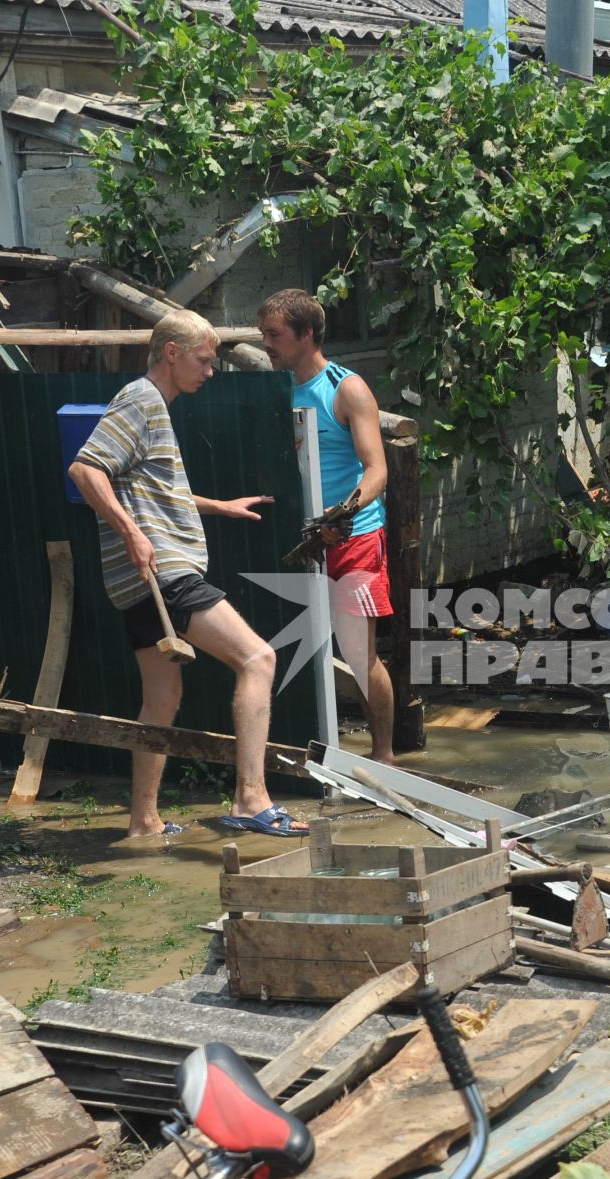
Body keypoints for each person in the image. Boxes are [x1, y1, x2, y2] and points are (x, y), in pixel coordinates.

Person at [67, 311, 306, 839]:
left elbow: (153, 489)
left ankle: (144, 822)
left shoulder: (152, 407)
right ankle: (251, 798)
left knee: (161, 699)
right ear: (171, 352)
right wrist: (132, 533)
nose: (211, 371)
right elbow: (85, 468)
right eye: (204, 359)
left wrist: (218, 506)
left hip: (138, 586)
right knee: (258, 658)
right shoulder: (142, 399)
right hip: (166, 574)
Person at [256, 288, 395, 764]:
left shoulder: (346, 388)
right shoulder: (271, 388)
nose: (266, 345)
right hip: (295, 538)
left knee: (359, 656)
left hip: (352, 537)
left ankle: (384, 759)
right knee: (285, 647)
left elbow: (376, 469)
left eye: (274, 335)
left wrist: (343, 512)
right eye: (263, 335)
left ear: (307, 333)